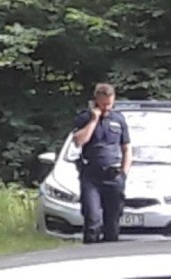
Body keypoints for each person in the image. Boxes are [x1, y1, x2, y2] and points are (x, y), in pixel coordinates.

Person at [73, 82, 132, 243]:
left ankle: (110, 255)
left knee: (112, 224)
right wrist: (94, 120)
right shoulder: (84, 118)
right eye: (103, 103)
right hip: (91, 177)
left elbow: (126, 148)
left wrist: (124, 173)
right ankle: (90, 253)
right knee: (92, 219)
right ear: (96, 100)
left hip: (113, 176)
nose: (107, 107)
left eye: (109, 103)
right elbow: (79, 141)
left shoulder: (119, 119)